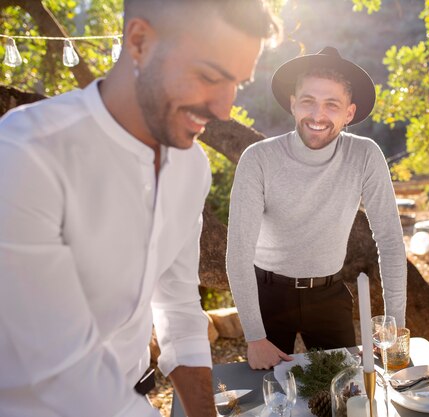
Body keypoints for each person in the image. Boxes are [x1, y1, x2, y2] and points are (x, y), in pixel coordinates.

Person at [0, 1, 280, 416]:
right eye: (208, 75)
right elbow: (58, 369)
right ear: (139, 41)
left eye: (237, 83)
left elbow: (178, 306)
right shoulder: (26, 154)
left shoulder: (191, 167)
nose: (223, 109)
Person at [226, 47, 407, 370]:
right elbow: (238, 251)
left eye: (331, 104)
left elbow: (391, 242)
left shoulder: (365, 155)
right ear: (293, 104)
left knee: (344, 396)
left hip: (329, 295)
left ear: (349, 113)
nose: (318, 115)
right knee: (268, 400)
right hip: (267, 295)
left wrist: (393, 330)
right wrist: (254, 337)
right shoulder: (258, 159)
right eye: (308, 101)